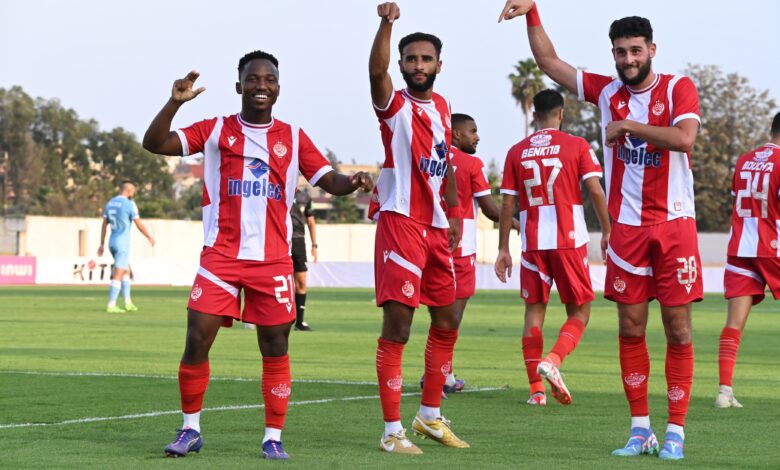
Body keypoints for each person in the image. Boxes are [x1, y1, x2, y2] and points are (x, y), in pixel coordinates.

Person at [142, 50, 372, 460]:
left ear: (278, 88)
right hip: (221, 256)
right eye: (252, 79)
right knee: (197, 339)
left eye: (268, 80)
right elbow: (154, 142)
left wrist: (352, 180)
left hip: (273, 261)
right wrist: (175, 102)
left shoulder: (294, 136)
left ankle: (273, 437)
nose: (260, 86)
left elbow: (329, 180)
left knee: (275, 346)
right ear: (239, 86)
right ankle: (190, 429)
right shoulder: (214, 130)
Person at [499, 1, 702, 460]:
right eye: (619, 53)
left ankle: (676, 431)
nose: (627, 60)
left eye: (634, 51)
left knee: (679, 330)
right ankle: (639, 429)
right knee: (630, 329)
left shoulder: (677, 89)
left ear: (652, 49)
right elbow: (550, 63)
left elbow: (685, 139)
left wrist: (629, 125)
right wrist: (532, 11)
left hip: (674, 225)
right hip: (627, 230)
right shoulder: (607, 90)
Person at [369, 2, 467, 454]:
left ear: (439, 65)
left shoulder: (445, 106)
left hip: (434, 227)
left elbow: (443, 162)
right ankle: (391, 432)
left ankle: (429, 416)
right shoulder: (395, 105)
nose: (419, 66)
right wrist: (387, 26)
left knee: (447, 318)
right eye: (412, 59)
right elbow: (375, 72)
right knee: (399, 328)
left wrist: (451, 211)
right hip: (400, 222)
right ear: (403, 65)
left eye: (426, 59)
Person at [495, 89, 609, 407]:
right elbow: (595, 191)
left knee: (534, 313)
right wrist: (608, 230)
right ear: (562, 113)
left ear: (534, 115)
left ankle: (536, 391)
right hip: (568, 240)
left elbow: (507, 204)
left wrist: (503, 248)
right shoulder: (577, 146)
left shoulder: (516, 151)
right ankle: (554, 360)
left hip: (532, 243)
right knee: (581, 311)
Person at [420, 113, 519, 396]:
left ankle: (445, 375)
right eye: (472, 131)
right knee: (450, 320)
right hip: (460, 249)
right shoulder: (471, 163)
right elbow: (490, 210)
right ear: (456, 134)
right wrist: (515, 223)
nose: (477, 137)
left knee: (438, 315)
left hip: (431, 243)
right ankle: (435, 377)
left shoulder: (431, 157)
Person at [716, 112, 780, 409]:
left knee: (734, 323)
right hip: (773, 246)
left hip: (740, 246)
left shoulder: (743, 160)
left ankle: (724, 391)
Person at [97, 181, 155, 313]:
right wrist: (149, 236)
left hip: (112, 241)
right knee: (119, 272)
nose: (133, 193)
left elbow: (104, 224)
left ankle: (128, 303)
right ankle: (111, 304)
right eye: (133, 191)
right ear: (129, 190)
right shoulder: (129, 204)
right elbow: (138, 224)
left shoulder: (110, 203)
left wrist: (101, 243)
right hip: (122, 242)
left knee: (126, 271)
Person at [290, 187, 318, 331]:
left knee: (301, 281)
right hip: (279, 240)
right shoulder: (277, 189)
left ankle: (299, 322)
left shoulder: (304, 197)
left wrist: (314, 245)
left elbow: (311, 222)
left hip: (299, 243)